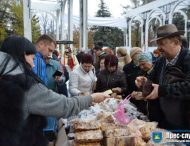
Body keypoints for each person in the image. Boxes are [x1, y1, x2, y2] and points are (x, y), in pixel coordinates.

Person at [0, 35, 110, 146]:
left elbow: (61, 78)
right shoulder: (25, 85)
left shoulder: (54, 65)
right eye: (32, 59)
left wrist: (59, 80)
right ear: (22, 55)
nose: (33, 64)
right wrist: (91, 98)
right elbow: (64, 105)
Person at [135, 24, 190, 129]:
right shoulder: (161, 61)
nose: (158, 48)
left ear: (176, 42)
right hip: (163, 122)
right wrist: (144, 82)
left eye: (162, 44)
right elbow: (151, 80)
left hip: (185, 125)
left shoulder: (187, 58)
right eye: (157, 44)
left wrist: (162, 90)